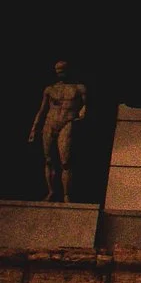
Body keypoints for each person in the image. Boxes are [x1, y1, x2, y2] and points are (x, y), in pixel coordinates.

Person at [30, 62, 85, 200]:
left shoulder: (79, 88)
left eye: (63, 70)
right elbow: (42, 110)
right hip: (50, 123)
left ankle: (66, 194)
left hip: (67, 122)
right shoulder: (50, 89)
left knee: (65, 161)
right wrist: (34, 128)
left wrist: (83, 113)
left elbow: (86, 106)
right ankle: (51, 191)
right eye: (58, 71)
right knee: (48, 160)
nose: (60, 73)